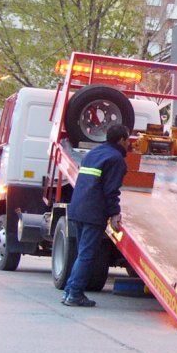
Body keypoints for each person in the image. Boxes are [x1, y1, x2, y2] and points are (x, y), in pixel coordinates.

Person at [62, 124, 130, 307]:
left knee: (80, 253)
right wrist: (115, 213)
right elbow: (111, 190)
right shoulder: (116, 160)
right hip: (93, 212)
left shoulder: (93, 154)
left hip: (78, 208)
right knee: (86, 255)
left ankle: (69, 291)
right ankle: (74, 294)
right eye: (128, 140)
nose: (129, 143)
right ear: (122, 140)